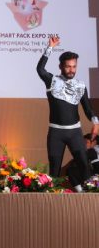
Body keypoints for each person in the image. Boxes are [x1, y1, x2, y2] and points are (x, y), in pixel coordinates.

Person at [37, 36, 99, 191]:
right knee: (55, 169)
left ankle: (89, 199)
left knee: (84, 166)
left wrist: (96, 122)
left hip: (75, 133)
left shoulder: (80, 85)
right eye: (68, 66)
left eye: (74, 66)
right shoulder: (51, 80)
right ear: (60, 66)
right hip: (56, 133)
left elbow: (88, 109)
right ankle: (52, 200)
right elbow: (40, 69)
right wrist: (50, 48)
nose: (71, 70)